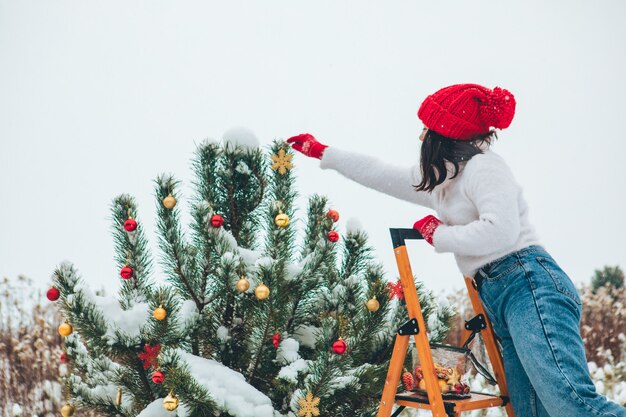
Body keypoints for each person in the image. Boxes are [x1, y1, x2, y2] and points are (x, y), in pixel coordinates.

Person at [286, 83, 626, 417]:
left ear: (446, 134)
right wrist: (324, 152)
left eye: (426, 128)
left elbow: (501, 230)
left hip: (529, 284)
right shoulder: (443, 181)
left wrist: (441, 236)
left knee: (573, 406)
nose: (421, 137)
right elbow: (380, 173)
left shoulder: (485, 167)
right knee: (531, 411)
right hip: (501, 292)